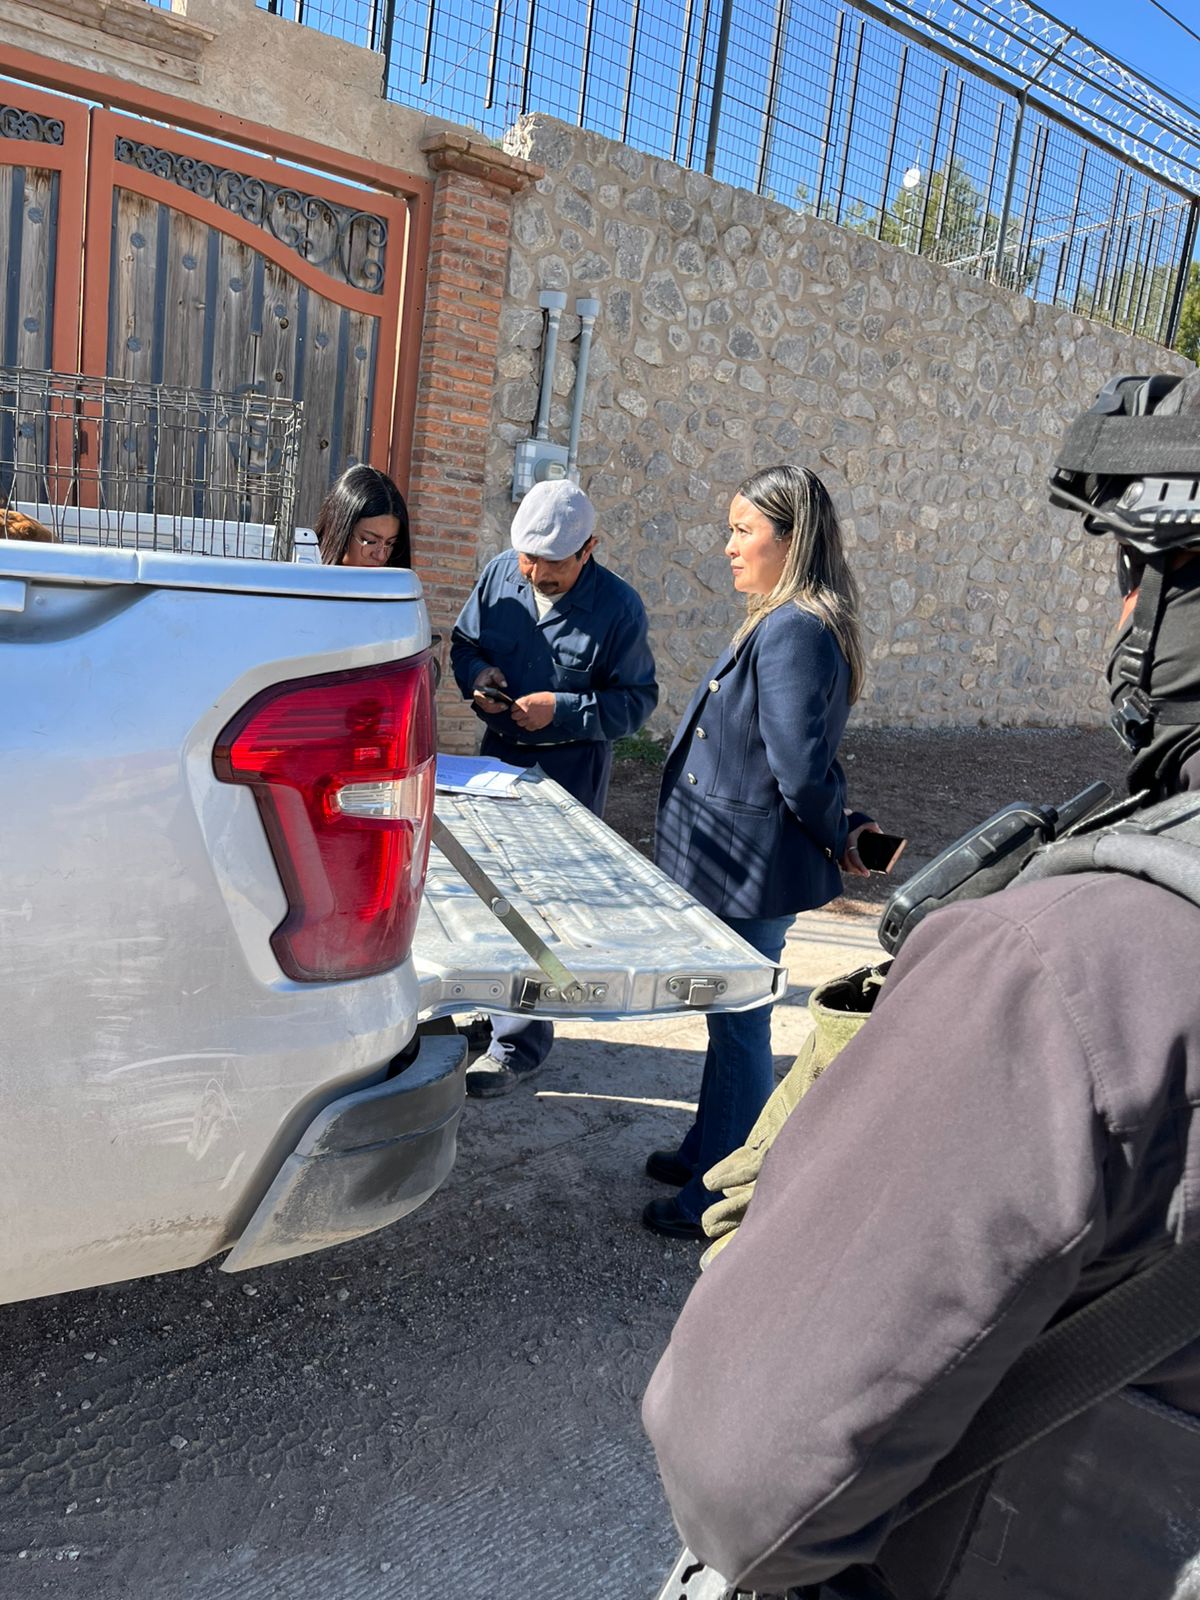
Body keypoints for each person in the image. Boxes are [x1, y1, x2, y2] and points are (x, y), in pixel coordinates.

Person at [642, 373, 1200, 1597]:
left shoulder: (1059, 969)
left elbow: (744, 1482)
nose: (728, 545)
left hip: (973, 1551)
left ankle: (705, 1168)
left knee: (740, 1019)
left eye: (1131, 578)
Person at [643, 463, 871, 1241]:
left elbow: (800, 768)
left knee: (739, 1023)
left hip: (748, 869)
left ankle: (719, 1191)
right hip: (734, 863)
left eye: (744, 530)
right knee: (725, 1014)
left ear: (791, 537)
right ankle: (706, 1148)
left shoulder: (796, 628)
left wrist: (842, 831)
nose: (729, 545)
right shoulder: (785, 619)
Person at [450, 477, 658, 1096]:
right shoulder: (499, 575)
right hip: (498, 761)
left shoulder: (620, 608)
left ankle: (520, 1045)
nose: (536, 572)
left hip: (569, 775)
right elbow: (465, 643)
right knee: (488, 891)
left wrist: (562, 710)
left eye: (553, 563)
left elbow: (636, 702)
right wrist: (479, 675)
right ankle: (489, 1012)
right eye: (528, 558)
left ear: (589, 548)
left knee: (543, 906)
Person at [315, 463, 410, 568]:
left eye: (390, 543)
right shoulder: (305, 576)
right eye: (370, 541)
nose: (381, 556)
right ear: (340, 531)